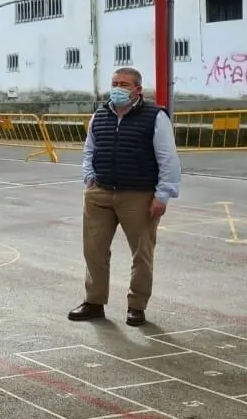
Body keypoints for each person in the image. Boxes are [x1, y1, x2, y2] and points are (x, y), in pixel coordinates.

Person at [68, 67, 181, 327]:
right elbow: (89, 150)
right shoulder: (100, 115)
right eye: (115, 83)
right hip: (100, 193)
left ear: (137, 90)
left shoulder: (155, 117)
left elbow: (168, 159)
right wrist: (89, 177)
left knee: (142, 253)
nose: (118, 88)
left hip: (139, 195)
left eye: (125, 84)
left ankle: (136, 306)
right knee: (94, 250)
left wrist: (163, 195)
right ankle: (94, 302)